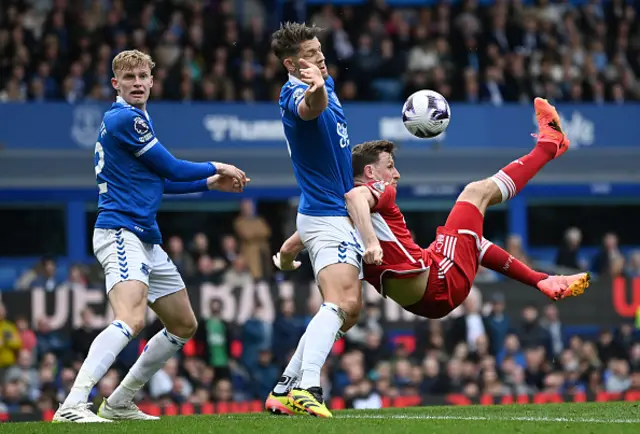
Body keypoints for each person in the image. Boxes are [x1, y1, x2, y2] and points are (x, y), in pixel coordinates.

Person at [53, 49, 248, 423]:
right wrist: (220, 165)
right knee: (131, 318)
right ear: (116, 84)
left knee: (183, 324)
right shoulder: (125, 118)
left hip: (144, 236)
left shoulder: (137, 117)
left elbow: (155, 181)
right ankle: (73, 404)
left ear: (152, 80)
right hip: (120, 231)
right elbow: (172, 168)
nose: (138, 83)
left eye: (143, 76)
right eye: (129, 78)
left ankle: (120, 401)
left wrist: (208, 183)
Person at [275, 97, 589, 330]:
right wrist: (370, 243)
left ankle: (542, 281)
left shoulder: (350, 206)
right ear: (370, 172)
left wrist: (287, 256)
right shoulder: (375, 192)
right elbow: (355, 197)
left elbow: (307, 233)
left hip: (431, 287)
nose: (395, 175)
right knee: (474, 193)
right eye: (390, 167)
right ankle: (548, 146)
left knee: (474, 241)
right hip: (438, 281)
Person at [265, 22, 367, 418]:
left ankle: (283, 388)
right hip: (326, 214)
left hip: (325, 212)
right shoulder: (294, 92)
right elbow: (313, 107)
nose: (321, 58)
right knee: (342, 302)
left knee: (350, 310)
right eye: (311, 55)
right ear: (292, 63)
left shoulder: (324, 82)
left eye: (321, 50)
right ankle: (308, 387)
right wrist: (315, 86)